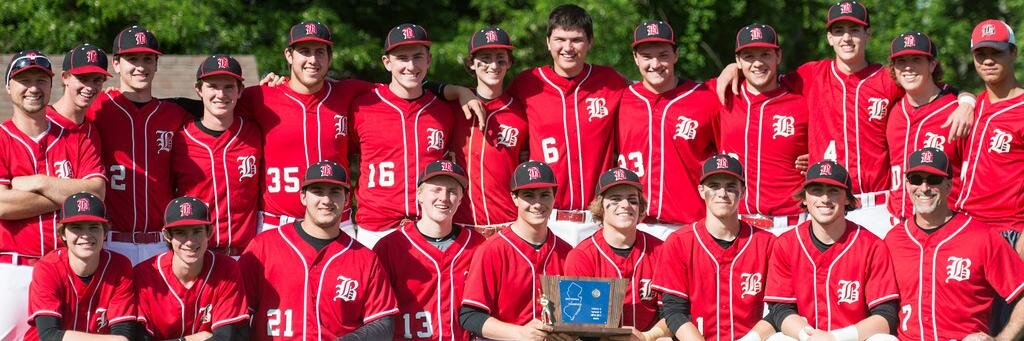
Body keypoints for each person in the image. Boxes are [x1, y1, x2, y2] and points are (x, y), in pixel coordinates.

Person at [717, 1, 976, 236]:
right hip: (828, 205)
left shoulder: (887, 78)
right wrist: (734, 68)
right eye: (839, 31)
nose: (847, 38)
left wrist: (966, 100)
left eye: (854, 30)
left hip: (879, 205)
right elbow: (764, 79)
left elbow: (932, 88)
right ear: (829, 37)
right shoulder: (810, 75)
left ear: (868, 34)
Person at [0, 50, 107, 339]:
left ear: (52, 85)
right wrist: (69, 192)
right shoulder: (1, 137)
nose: (33, 88)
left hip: (67, 269)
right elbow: (1, 204)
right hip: (15, 269)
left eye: (40, 80)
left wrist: (38, 182)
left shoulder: (78, 136)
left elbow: (96, 193)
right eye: (24, 80)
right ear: (9, 86)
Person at [507, 4, 628, 246]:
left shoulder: (611, 81)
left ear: (590, 42)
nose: (568, 48)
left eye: (576, 39)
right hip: (546, 218)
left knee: (597, 286)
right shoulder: (527, 83)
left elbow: (653, 91)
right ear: (548, 42)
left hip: (598, 219)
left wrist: (728, 69)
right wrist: (456, 91)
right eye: (560, 39)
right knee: (547, 286)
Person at [235, 21, 371, 232]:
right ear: (289, 55)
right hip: (277, 224)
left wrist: (439, 88)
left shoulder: (348, 93)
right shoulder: (259, 97)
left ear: (330, 58)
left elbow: (400, 88)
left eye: (320, 52)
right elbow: (212, 106)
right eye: (304, 51)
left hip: (337, 222)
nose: (313, 60)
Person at [239, 160, 398, 340]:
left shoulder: (365, 259)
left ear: (347, 199)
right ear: (303, 196)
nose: (326, 200)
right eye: (318, 191)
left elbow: (383, 324)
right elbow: (237, 317)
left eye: (335, 192)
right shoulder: (263, 247)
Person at [885, 147, 1024, 340]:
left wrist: (1002, 339)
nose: (924, 188)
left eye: (933, 180)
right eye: (916, 179)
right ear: (907, 185)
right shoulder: (893, 240)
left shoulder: (981, 237)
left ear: (949, 185)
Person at [86, 25, 191, 264]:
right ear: (116, 64)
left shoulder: (175, 114)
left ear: (156, 63)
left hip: (160, 243)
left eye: (148, 59)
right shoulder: (96, 108)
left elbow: (222, 106)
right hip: (109, 240)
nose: (141, 66)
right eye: (132, 59)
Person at [763, 160, 900, 340]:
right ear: (804, 197)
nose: (825, 199)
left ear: (848, 198)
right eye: (816, 190)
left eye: (833, 190)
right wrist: (808, 336)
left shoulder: (871, 245)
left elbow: (886, 314)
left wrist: (836, 338)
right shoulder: (786, 244)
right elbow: (780, 309)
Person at [349, 23, 456, 248]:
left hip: (429, 226)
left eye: (418, 56)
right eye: (401, 58)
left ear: (429, 59)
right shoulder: (363, 104)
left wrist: (462, 91)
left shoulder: (444, 111)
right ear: (387, 63)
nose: (410, 65)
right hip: (376, 229)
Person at [617, 19, 721, 240]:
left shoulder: (705, 98)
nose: (655, 64)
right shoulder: (621, 99)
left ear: (676, 55)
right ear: (635, 58)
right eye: (646, 56)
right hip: (633, 224)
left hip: (689, 225)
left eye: (663, 55)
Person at [653, 155, 775, 340]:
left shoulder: (767, 243)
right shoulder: (679, 242)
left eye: (731, 186)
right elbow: (673, 310)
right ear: (701, 190)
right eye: (714, 186)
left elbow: (781, 309)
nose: (722, 193)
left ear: (743, 191)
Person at [459, 161, 573, 341]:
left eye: (544, 195)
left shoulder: (568, 253)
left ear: (554, 196)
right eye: (528, 195)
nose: (537, 204)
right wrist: (519, 333)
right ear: (514, 198)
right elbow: (470, 316)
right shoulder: (492, 250)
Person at [374, 160, 484, 340]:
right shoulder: (390, 246)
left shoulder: (478, 245)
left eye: (452, 191)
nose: (444, 197)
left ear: (461, 199)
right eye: (436, 189)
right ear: (419, 194)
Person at [716, 23, 808, 233]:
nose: (758, 63)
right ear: (737, 61)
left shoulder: (801, 101)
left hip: (791, 225)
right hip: (738, 225)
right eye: (748, 56)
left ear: (778, 56)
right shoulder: (723, 96)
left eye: (765, 54)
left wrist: (817, 155)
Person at [170, 55, 262, 255]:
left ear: (240, 91)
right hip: (196, 255)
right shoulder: (180, 140)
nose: (221, 94)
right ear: (198, 90)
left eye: (229, 86)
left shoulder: (255, 135)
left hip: (246, 254)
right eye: (212, 86)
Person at [565, 167, 669, 340]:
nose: (625, 205)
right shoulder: (582, 256)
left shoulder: (661, 250)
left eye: (632, 200)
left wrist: (647, 337)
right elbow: (581, 326)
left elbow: (674, 312)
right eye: (615, 199)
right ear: (600, 206)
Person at [450, 26, 528, 238]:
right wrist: (458, 91)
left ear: (509, 63)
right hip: (460, 227)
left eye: (500, 58)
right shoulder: (451, 108)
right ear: (471, 63)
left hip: (509, 226)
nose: (493, 65)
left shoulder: (521, 112)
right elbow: (420, 88)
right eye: (485, 58)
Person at [134, 196, 249, 340]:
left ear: (209, 232)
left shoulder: (227, 269)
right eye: (181, 233)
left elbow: (226, 338)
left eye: (197, 231)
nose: (190, 241)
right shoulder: (146, 275)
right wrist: (193, 339)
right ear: (167, 236)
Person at [954, 19, 1024, 252]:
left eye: (996, 52)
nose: (988, 61)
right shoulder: (975, 104)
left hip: (1009, 231)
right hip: (966, 228)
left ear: (1013, 52)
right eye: (980, 54)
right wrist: (966, 100)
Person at [25, 192, 135, 340]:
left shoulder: (120, 267)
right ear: (63, 234)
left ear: (105, 233)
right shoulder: (47, 268)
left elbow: (123, 335)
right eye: (76, 227)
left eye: (94, 227)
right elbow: (49, 336)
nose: (85, 235)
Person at [885, 32, 964, 222]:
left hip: (945, 222)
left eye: (917, 59)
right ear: (893, 68)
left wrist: (968, 101)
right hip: (896, 222)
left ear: (932, 64)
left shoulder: (956, 111)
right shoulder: (893, 109)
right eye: (901, 61)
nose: (908, 67)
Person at [48, 43, 109, 141]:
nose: (89, 87)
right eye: (82, 79)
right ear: (65, 77)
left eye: (97, 80)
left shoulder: (92, 132)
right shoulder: (40, 123)